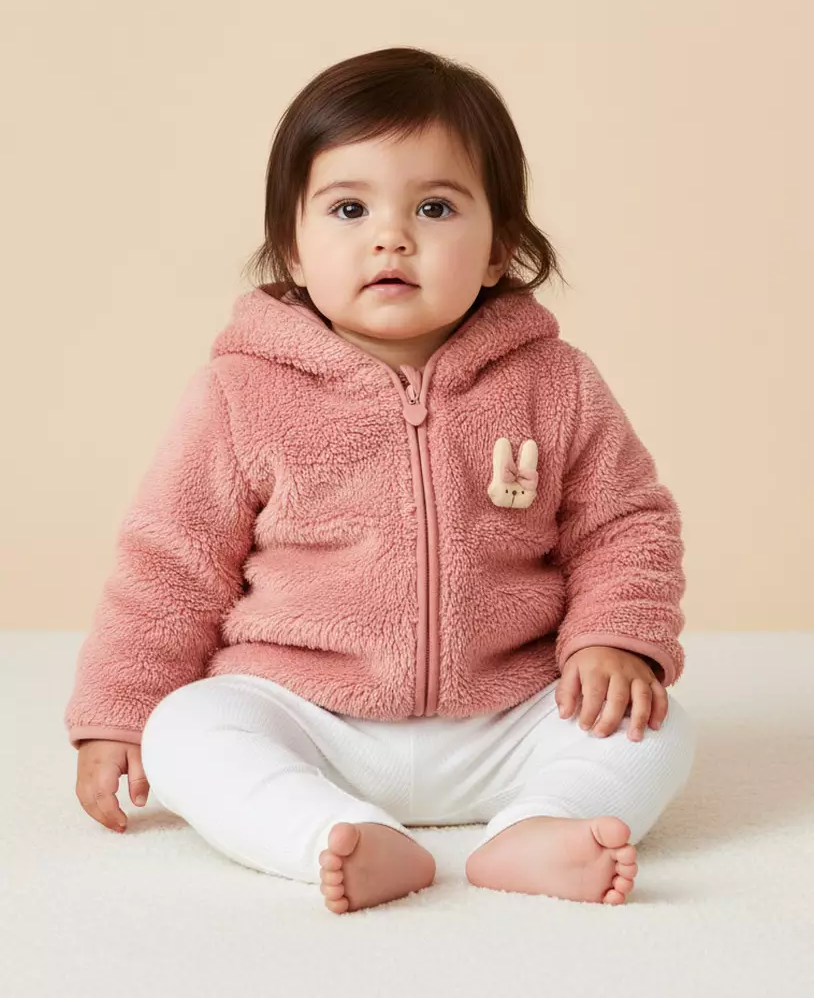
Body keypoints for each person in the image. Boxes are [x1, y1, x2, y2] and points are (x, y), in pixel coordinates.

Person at [66, 46, 696, 914]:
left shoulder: (554, 382)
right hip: (308, 716)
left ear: (499, 250)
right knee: (186, 729)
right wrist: (119, 709)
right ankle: (334, 833)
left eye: (434, 207)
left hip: (507, 712)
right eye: (349, 208)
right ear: (293, 247)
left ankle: (542, 825)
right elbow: (171, 560)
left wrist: (615, 639)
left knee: (655, 726)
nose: (390, 236)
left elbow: (626, 522)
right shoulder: (242, 393)